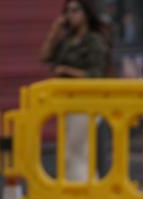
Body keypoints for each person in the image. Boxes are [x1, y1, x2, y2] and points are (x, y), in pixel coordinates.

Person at [40, 0, 110, 181]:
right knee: (69, 153)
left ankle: (84, 195)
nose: (71, 15)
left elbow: (96, 74)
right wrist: (55, 31)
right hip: (67, 104)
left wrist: (66, 70)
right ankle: (74, 196)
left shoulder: (94, 40)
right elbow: (45, 56)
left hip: (86, 102)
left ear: (86, 14)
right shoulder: (67, 40)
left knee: (77, 152)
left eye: (76, 10)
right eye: (68, 11)